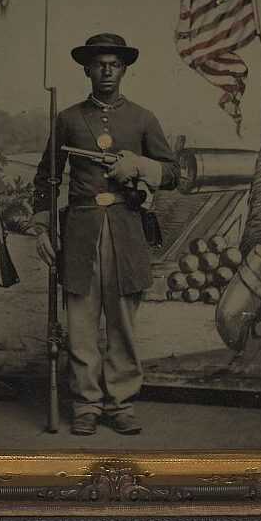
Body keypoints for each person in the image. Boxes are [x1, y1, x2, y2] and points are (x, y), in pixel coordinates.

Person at [32, 33, 180, 436]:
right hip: (80, 232)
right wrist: (43, 227)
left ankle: (121, 404)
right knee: (80, 326)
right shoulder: (66, 119)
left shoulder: (143, 118)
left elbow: (173, 172)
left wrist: (137, 165)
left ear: (125, 68)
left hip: (126, 230)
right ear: (87, 69)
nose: (107, 70)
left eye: (114, 63)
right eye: (99, 64)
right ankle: (85, 405)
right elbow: (45, 179)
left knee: (122, 326)